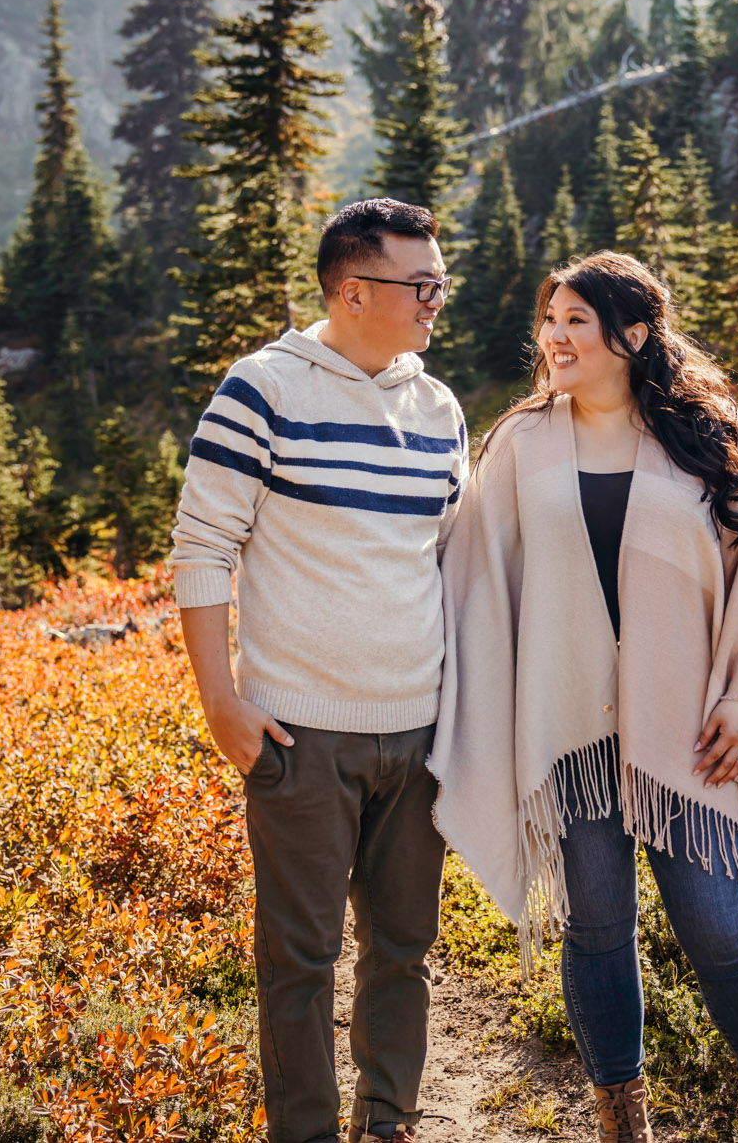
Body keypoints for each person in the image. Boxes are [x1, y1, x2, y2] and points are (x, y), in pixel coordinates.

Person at [431, 252, 738, 1143]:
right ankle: (624, 1122)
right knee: (597, 930)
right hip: (569, 726)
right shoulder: (521, 443)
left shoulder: (709, 432)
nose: (556, 337)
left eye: (577, 320)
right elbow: (471, 577)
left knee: (723, 930)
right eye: (550, 320)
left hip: (691, 727)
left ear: (633, 334)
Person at [172, 199, 466, 1143]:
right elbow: (202, 545)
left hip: (418, 730)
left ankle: (389, 1123)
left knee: (403, 950)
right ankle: (303, 1131)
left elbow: (450, 558)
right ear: (351, 291)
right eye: (418, 286)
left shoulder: (439, 406)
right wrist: (222, 700)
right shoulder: (262, 390)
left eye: (439, 283)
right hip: (301, 734)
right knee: (298, 959)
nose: (434, 301)